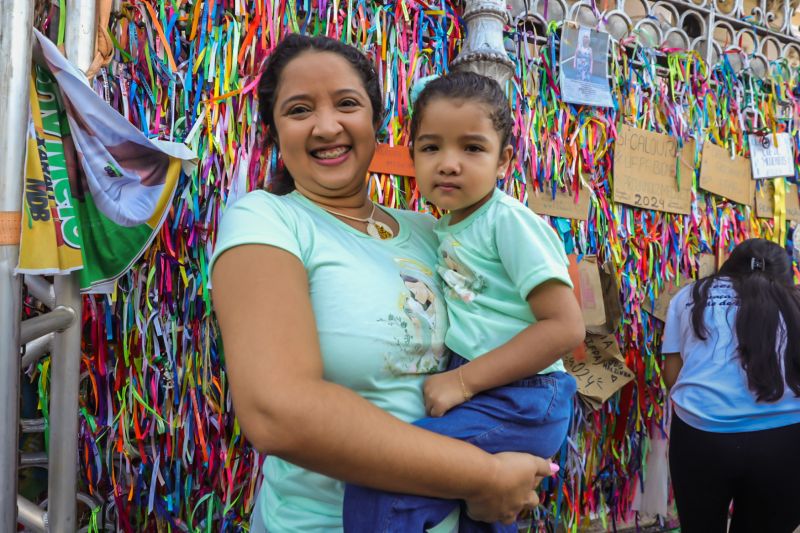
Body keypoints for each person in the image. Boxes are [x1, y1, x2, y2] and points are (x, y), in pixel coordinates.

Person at [210, 34, 558, 533]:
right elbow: (277, 410)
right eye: (299, 109)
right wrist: (485, 477)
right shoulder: (267, 221)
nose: (327, 126)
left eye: (347, 104)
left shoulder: (432, 230)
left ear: (376, 122)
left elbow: (515, 329)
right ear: (274, 132)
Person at [343, 72, 584, 532]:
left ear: (504, 160)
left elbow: (565, 327)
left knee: (382, 478)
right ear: (412, 154)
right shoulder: (448, 227)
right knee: (480, 514)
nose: (449, 164)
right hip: (501, 397)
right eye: (431, 148)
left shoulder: (508, 222)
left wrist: (464, 382)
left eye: (472, 148)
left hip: (523, 399)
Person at [662, 238, 800, 533]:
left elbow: (671, 375)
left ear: (728, 267)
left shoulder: (690, 295)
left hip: (700, 437)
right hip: (787, 441)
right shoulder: (795, 302)